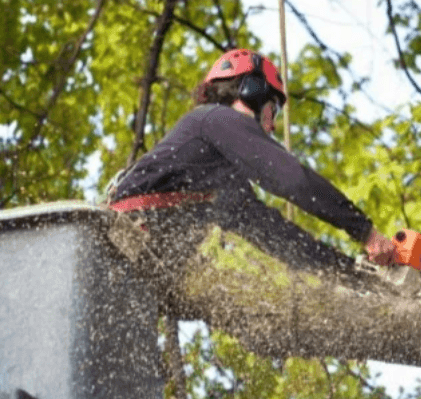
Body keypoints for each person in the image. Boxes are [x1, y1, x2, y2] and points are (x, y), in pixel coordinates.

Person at [107, 48, 395, 275]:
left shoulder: (220, 180)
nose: (270, 126)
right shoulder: (214, 118)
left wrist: (353, 274)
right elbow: (292, 179)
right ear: (252, 91)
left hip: (134, 264)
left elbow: (277, 237)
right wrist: (366, 232)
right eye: (273, 109)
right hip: (124, 241)